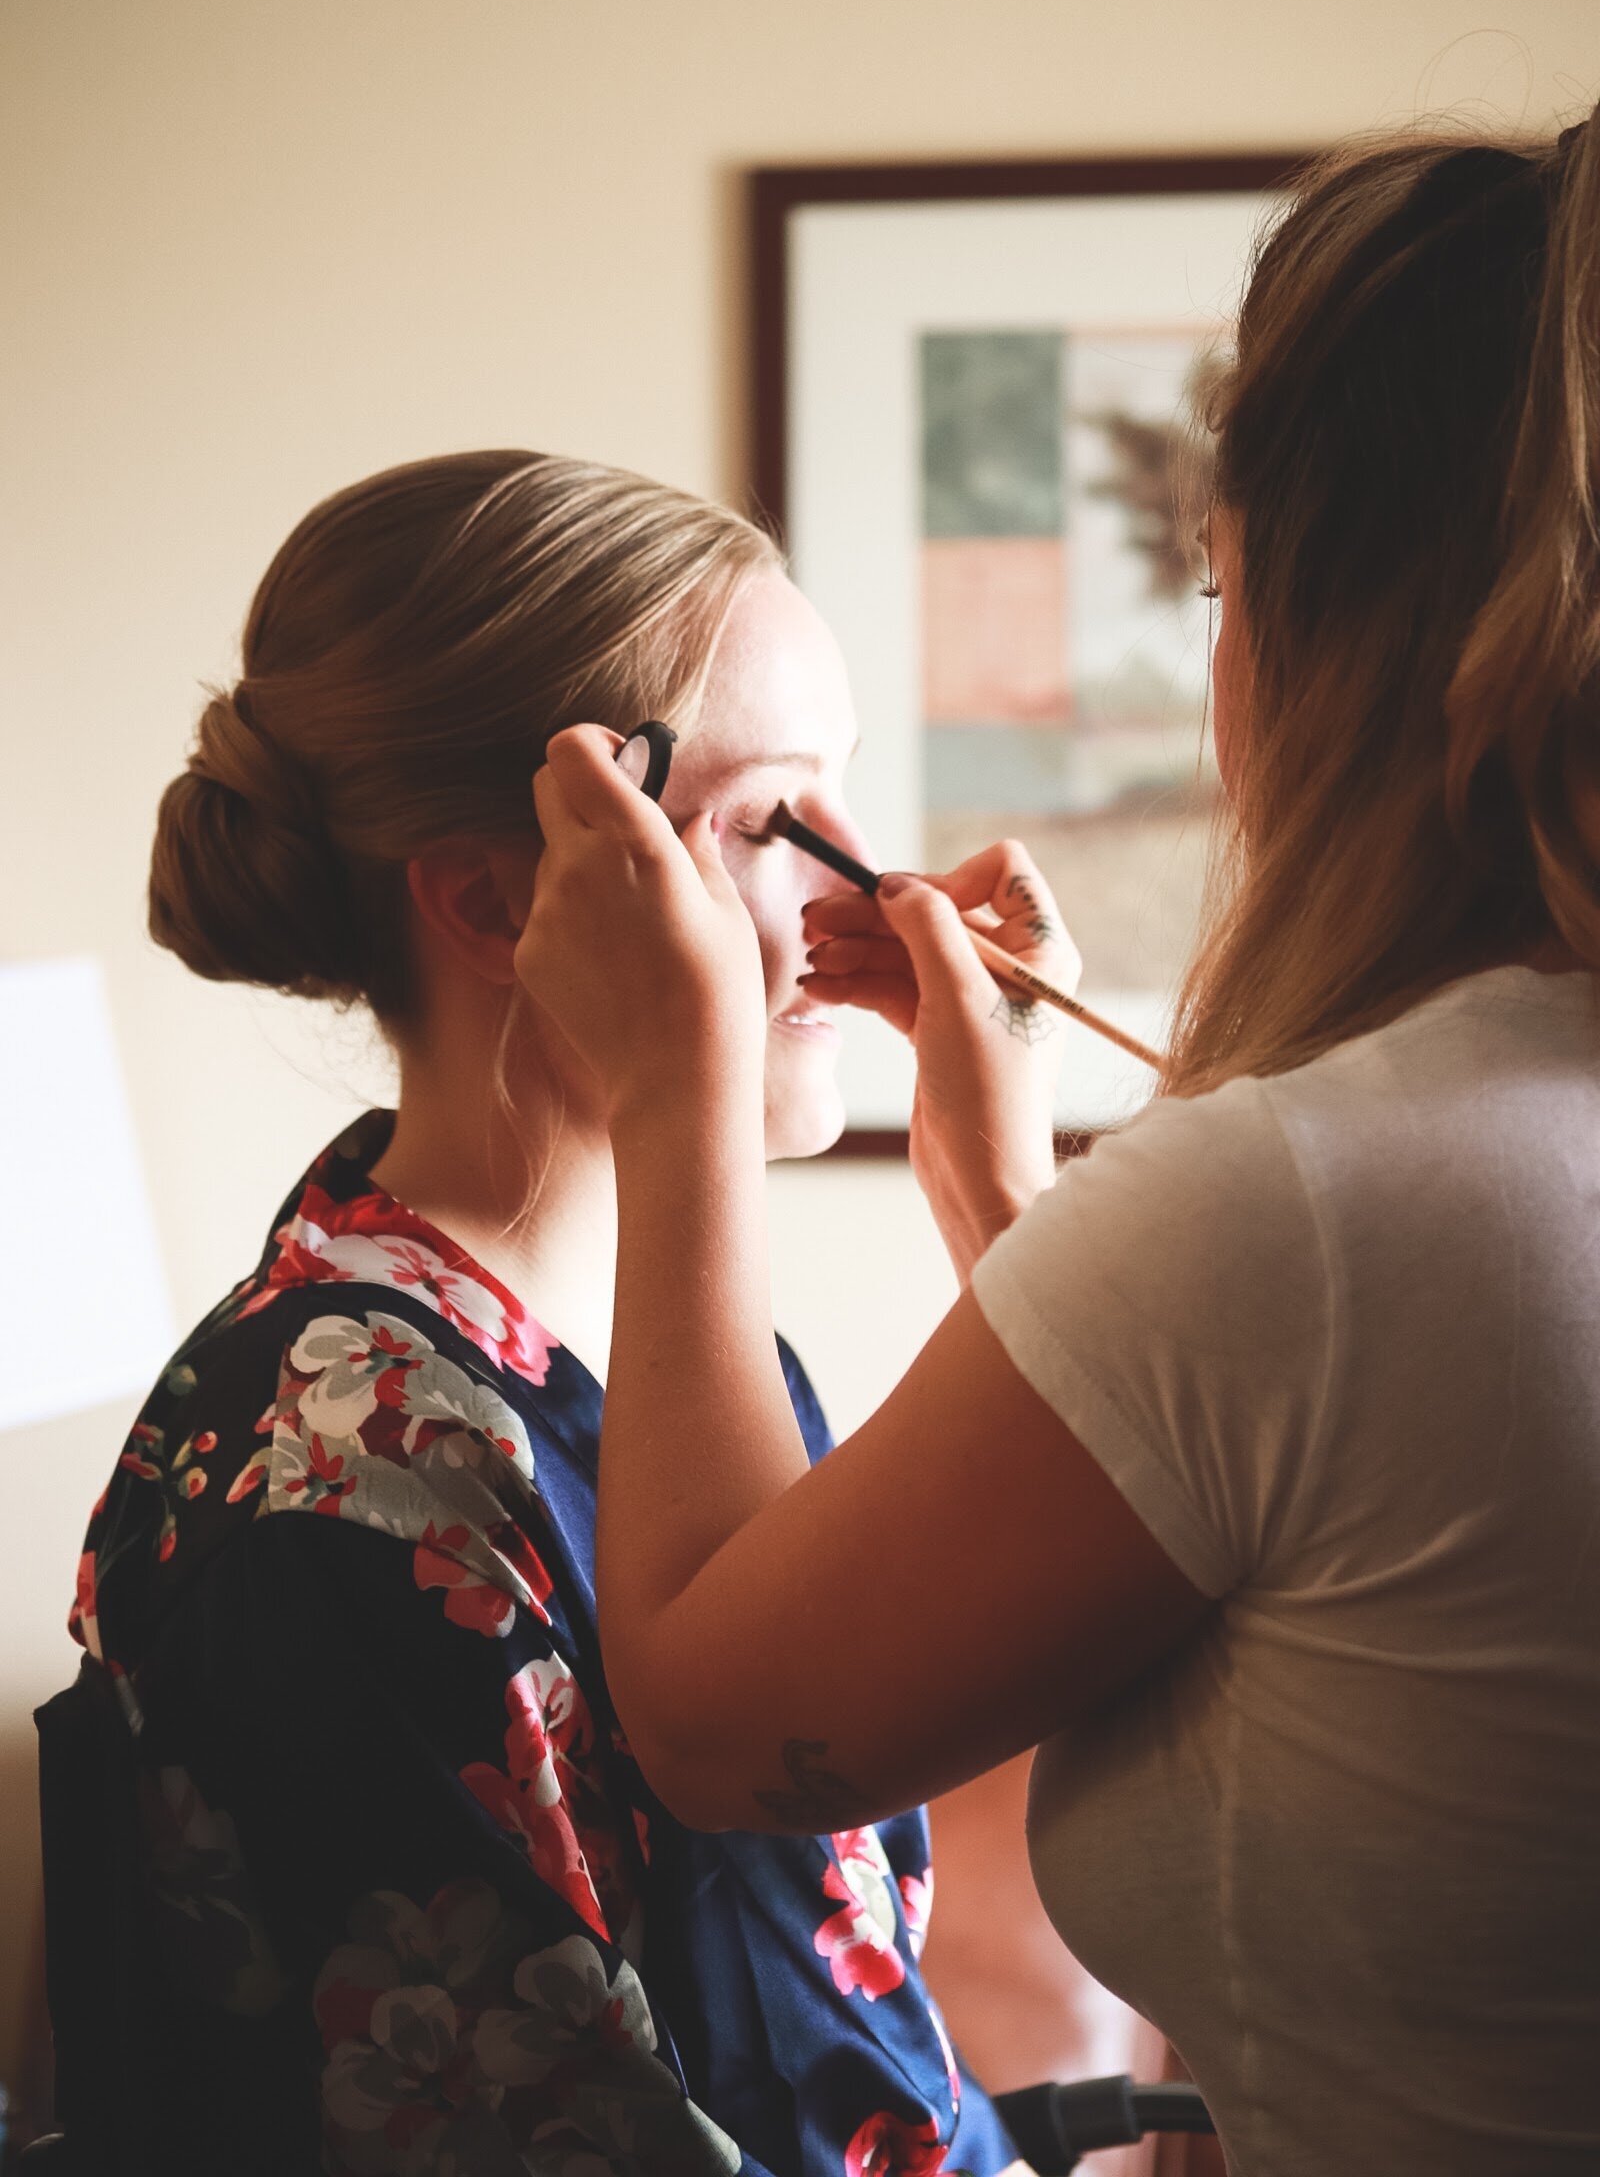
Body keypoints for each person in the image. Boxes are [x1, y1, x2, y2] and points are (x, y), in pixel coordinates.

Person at [512, 108, 1600, 2177]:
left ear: (1332, 624)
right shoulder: (1412, 1174)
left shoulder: (1313, 1204)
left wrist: (682, 1103)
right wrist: (993, 1177)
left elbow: (729, 1732)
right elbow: (1260, 1491)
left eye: (1215, 586)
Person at [50, 454, 1023, 2177]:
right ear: (502, 903)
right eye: (778, 826)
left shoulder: (658, 1360)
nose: (876, 894)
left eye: (854, 802)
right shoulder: (335, 1489)